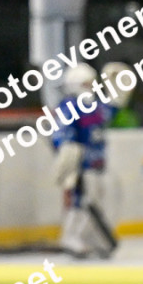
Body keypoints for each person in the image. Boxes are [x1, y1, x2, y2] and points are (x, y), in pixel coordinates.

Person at [49, 63, 118, 259]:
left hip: (96, 163)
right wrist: (67, 149)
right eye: (86, 83)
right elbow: (61, 132)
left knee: (96, 202)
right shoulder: (69, 106)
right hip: (81, 163)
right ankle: (71, 237)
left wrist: (116, 97)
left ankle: (91, 238)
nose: (90, 87)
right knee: (79, 201)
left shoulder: (94, 106)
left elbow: (106, 115)